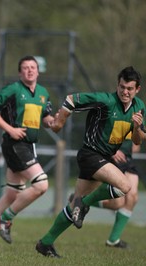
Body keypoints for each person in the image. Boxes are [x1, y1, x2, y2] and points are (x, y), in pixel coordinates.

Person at [36, 66, 145, 258]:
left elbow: (137, 140)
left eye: (129, 88)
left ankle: (45, 243)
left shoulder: (139, 107)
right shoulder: (105, 100)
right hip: (90, 156)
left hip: (102, 159)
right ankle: (84, 204)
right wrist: (59, 122)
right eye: (122, 87)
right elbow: (71, 99)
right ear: (117, 85)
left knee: (72, 210)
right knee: (124, 186)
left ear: (138, 89)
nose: (125, 92)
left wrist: (136, 127)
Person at [0, 55, 55, 249]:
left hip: (28, 146)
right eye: (25, 68)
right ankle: (4, 219)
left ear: (38, 71)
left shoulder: (43, 93)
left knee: (12, 194)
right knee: (41, 185)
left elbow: (47, 120)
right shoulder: (12, 89)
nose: (30, 70)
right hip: (14, 144)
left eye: (33, 67)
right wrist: (10, 129)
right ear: (20, 72)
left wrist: (58, 119)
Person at [73, 138, 141, 248]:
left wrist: (135, 142)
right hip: (111, 157)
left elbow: (137, 145)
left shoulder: (141, 120)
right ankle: (82, 201)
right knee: (117, 204)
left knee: (132, 197)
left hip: (127, 160)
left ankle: (113, 240)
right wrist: (112, 151)